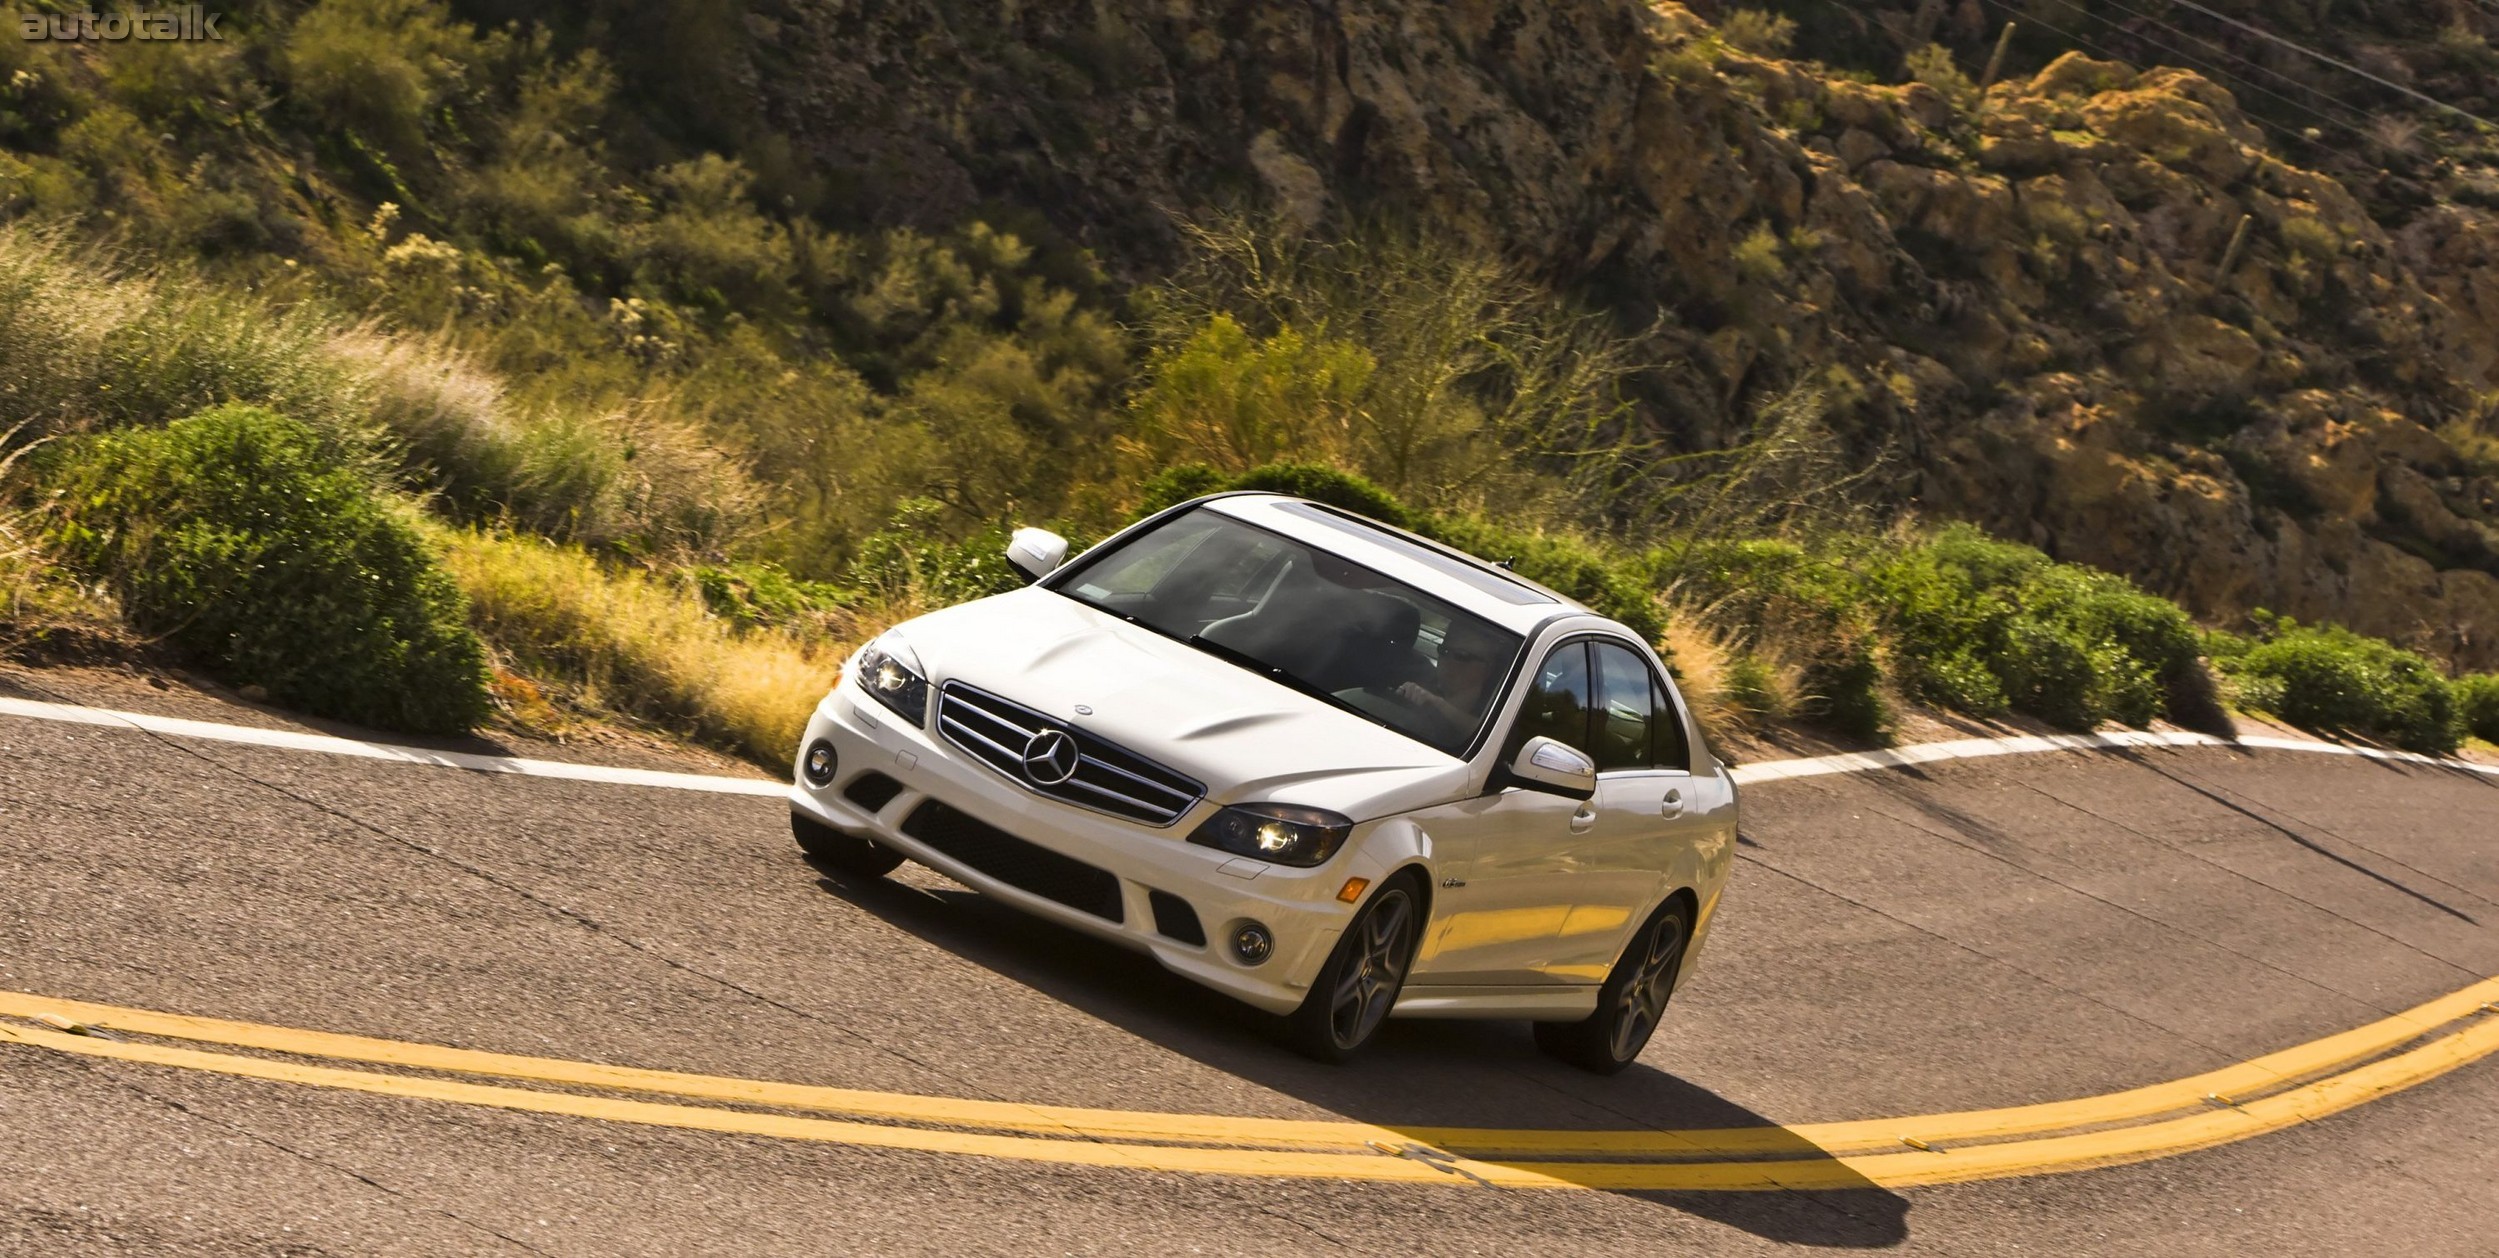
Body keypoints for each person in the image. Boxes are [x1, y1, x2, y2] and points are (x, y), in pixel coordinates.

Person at [1395, 623, 1505, 747]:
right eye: (1444, 651)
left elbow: (1492, 741)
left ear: (1488, 667)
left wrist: (1437, 703)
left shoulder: (1502, 707)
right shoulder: (1415, 675)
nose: (1447, 661)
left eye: (1461, 656)